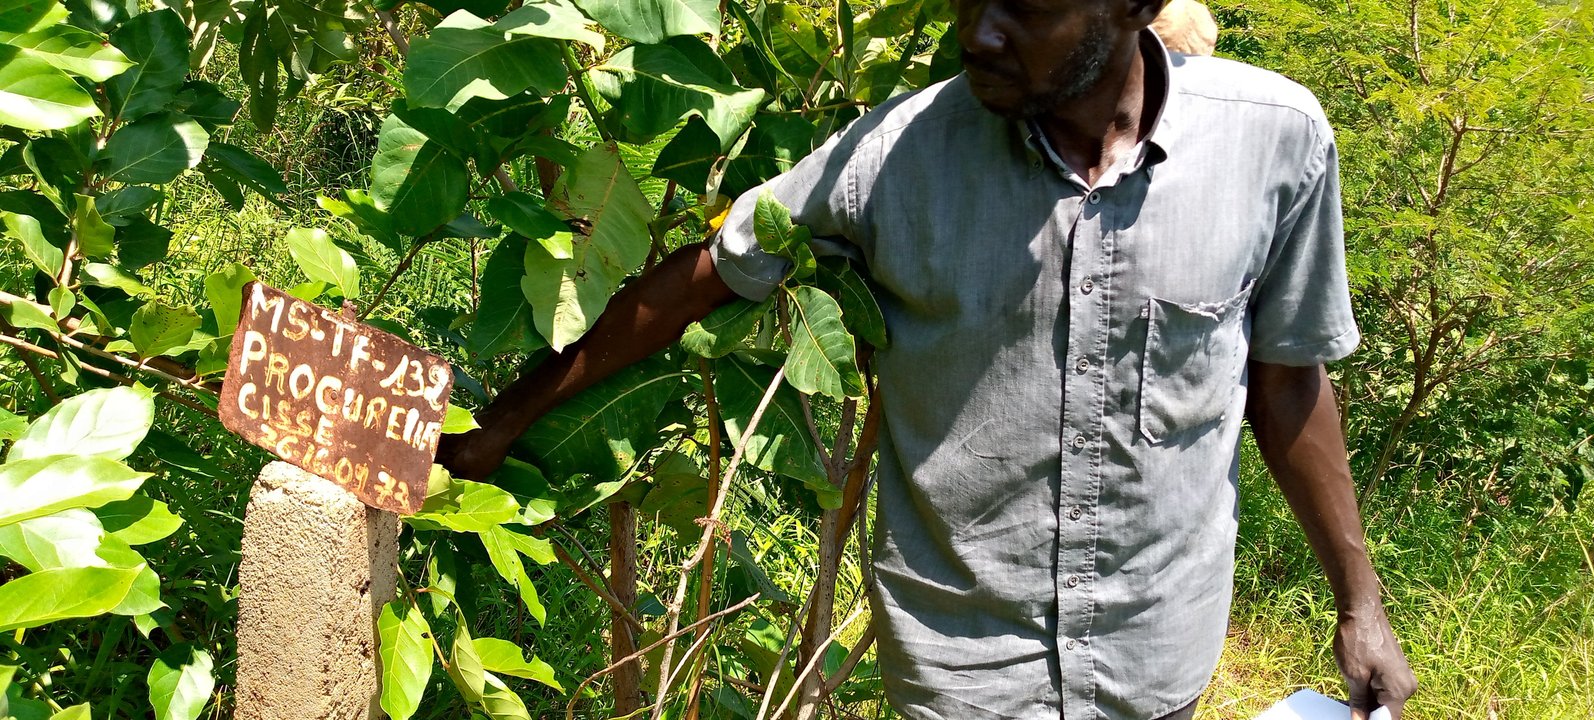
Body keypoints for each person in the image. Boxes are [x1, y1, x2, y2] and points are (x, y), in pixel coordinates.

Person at [440, 0, 1419, 717]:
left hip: (1155, 655)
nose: (977, 32)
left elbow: (1286, 379)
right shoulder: (891, 158)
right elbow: (706, 272)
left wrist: (1358, 604)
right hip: (961, 675)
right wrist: (506, 422)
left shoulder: (1273, 144)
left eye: (1023, 9)